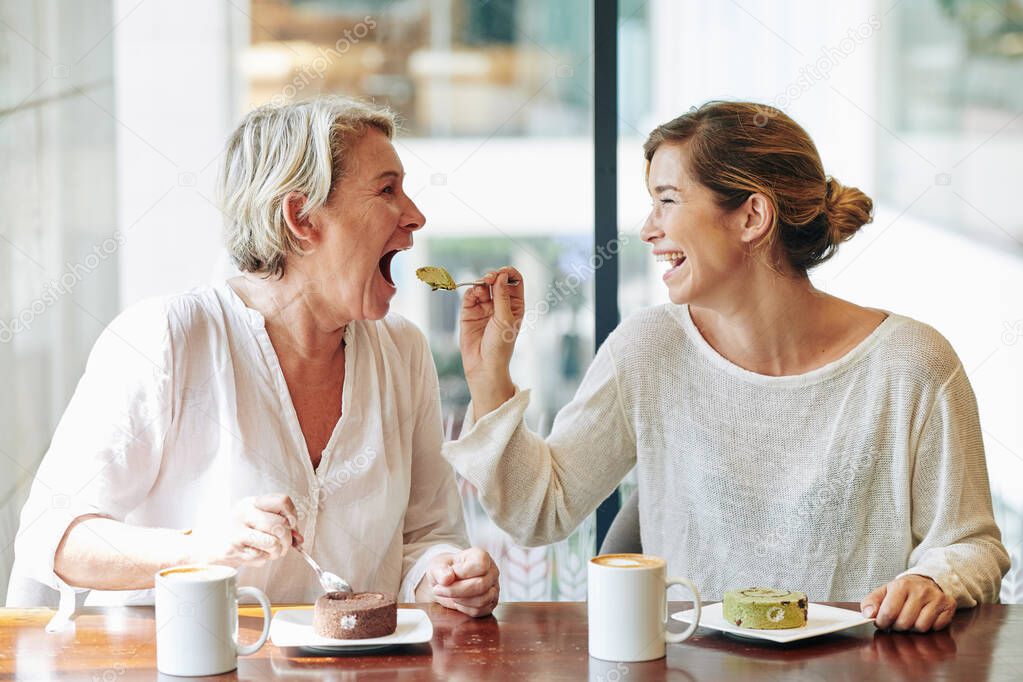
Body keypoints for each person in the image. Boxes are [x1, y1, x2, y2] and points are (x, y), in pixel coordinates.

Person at [444, 101, 1008, 632]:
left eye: (667, 200)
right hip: (691, 667)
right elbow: (538, 512)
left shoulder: (913, 364)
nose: (647, 229)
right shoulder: (649, 348)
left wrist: (935, 578)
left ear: (752, 216)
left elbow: (971, 543)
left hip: (854, 669)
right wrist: (489, 372)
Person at [7, 97, 499, 618]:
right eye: (386, 190)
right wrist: (198, 547)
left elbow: (428, 535)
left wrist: (447, 575)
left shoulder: (403, 351)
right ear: (302, 217)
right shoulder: (168, 338)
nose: (416, 216)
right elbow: (54, 537)